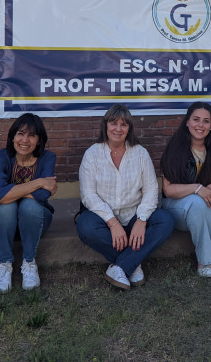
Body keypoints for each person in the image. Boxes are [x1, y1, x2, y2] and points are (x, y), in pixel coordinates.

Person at [76, 104, 175, 290]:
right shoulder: (92, 154)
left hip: (133, 215)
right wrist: (112, 222)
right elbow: (88, 195)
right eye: (113, 123)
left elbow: (151, 190)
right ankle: (131, 263)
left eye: (124, 124)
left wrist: (142, 220)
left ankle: (121, 266)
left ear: (130, 128)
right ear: (105, 126)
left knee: (166, 220)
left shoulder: (140, 153)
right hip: (103, 218)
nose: (118, 129)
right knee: (85, 226)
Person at [160, 101, 211, 277]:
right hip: (180, 209)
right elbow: (168, 191)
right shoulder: (175, 148)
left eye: (206, 121)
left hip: (210, 208)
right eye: (196, 119)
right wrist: (197, 188)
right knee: (197, 202)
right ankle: (204, 261)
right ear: (187, 122)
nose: (201, 125)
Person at [0, 113, 57, 292]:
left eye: (32, 135)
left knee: (29, 205)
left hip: (36, 219)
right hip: (2, 220)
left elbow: (42, 196)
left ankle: (29, 263)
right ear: (12, 137)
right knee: (5, 207)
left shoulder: (47, 158)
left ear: (39, 140)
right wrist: (39, 182)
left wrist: (6, 194)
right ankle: (5, 265)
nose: (25, 140)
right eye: (20, 133)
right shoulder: (2, 157)